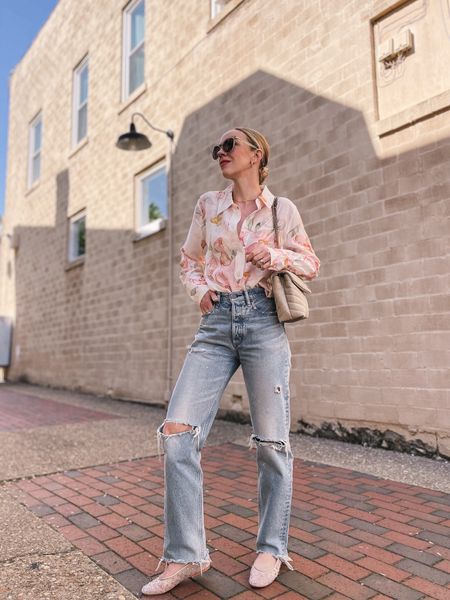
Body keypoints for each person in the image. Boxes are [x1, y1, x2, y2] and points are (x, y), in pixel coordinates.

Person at [141, 127, 320, 596]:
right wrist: (202, 294)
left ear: (256, 154)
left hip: (264, 322)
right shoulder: (208, 205)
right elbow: (189, 259)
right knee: (178, 435)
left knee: (271, 443)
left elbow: (310, 264)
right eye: (216, 148)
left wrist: (274, 254)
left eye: (230, 145)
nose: (221, 153)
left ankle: (272, 547)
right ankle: (186, 555)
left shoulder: (282, 210)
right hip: (216, 324)